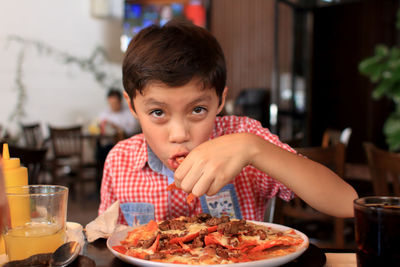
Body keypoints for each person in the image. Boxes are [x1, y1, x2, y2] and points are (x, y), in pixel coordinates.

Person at [99, 19, 358, 225]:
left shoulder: (244, 136)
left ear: (220, 100)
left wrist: (253, 149)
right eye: (158, 113)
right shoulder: (119, 161)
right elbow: (105, 239)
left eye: (198, 109)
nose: (179, 134)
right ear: (132, 106)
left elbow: (349, 203)